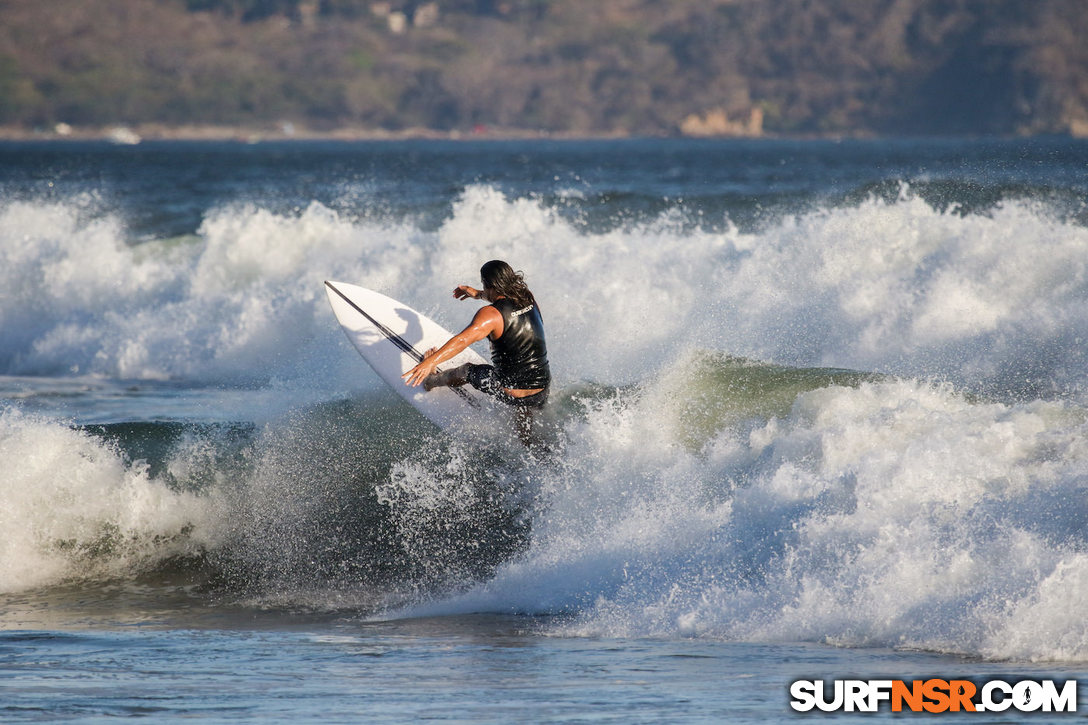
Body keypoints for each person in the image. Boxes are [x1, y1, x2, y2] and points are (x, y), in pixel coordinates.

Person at [402, 260, 550, 444]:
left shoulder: (490, 315)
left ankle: (430, 381)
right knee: (524, 403)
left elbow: (462, 340)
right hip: (542, 389)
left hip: (512, 392)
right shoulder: (527, 297)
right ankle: (529, 441)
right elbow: (505, 300)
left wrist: (429, 362)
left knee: (467, 371)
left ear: (490, 285)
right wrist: (478, 294)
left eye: (483, 285)